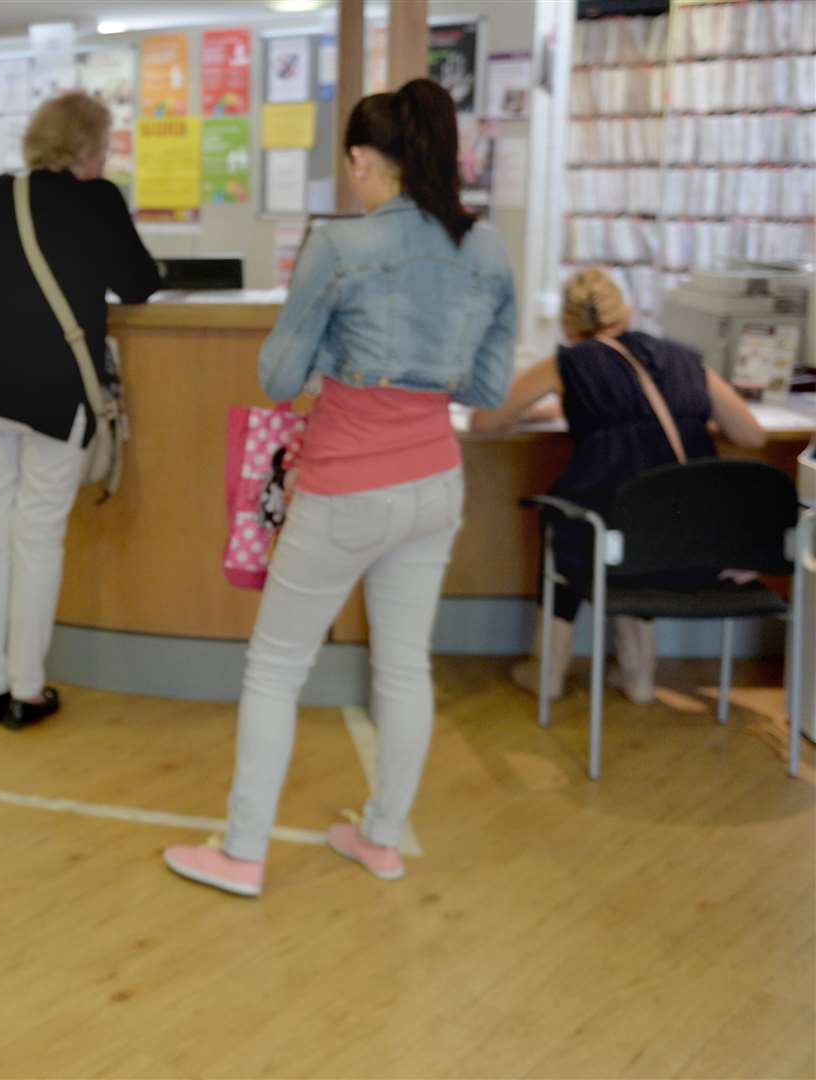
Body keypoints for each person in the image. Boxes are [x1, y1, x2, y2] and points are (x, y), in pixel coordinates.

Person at [163, 80, 516, 897]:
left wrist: (340, 365)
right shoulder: (486, 249)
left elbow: (279, 374)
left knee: (276, 666)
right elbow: (489, 385)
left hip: (345, 484)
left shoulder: (339, 245)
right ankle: (381, 837)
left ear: (363, 159)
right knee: (404, 667)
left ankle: (243, 853)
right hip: (435, 483)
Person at [0, 91, 161, 731]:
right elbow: (140, 283)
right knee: (37, 535)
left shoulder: (1, 192)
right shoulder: (101, 201)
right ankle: (27, 690)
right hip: (54, 389)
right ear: (89, 147)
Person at [470, 269, 766, 703]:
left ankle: (546, 673)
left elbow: (485, 421)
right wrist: (691, 420)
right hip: (689, 541)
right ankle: (639, 675)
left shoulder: (567, 363)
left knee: (571, 518)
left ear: (569, 325)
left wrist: (540, 413)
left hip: (603, 537)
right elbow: (752, 435)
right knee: (640, 527)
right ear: (625, 312)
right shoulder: (685, 359)